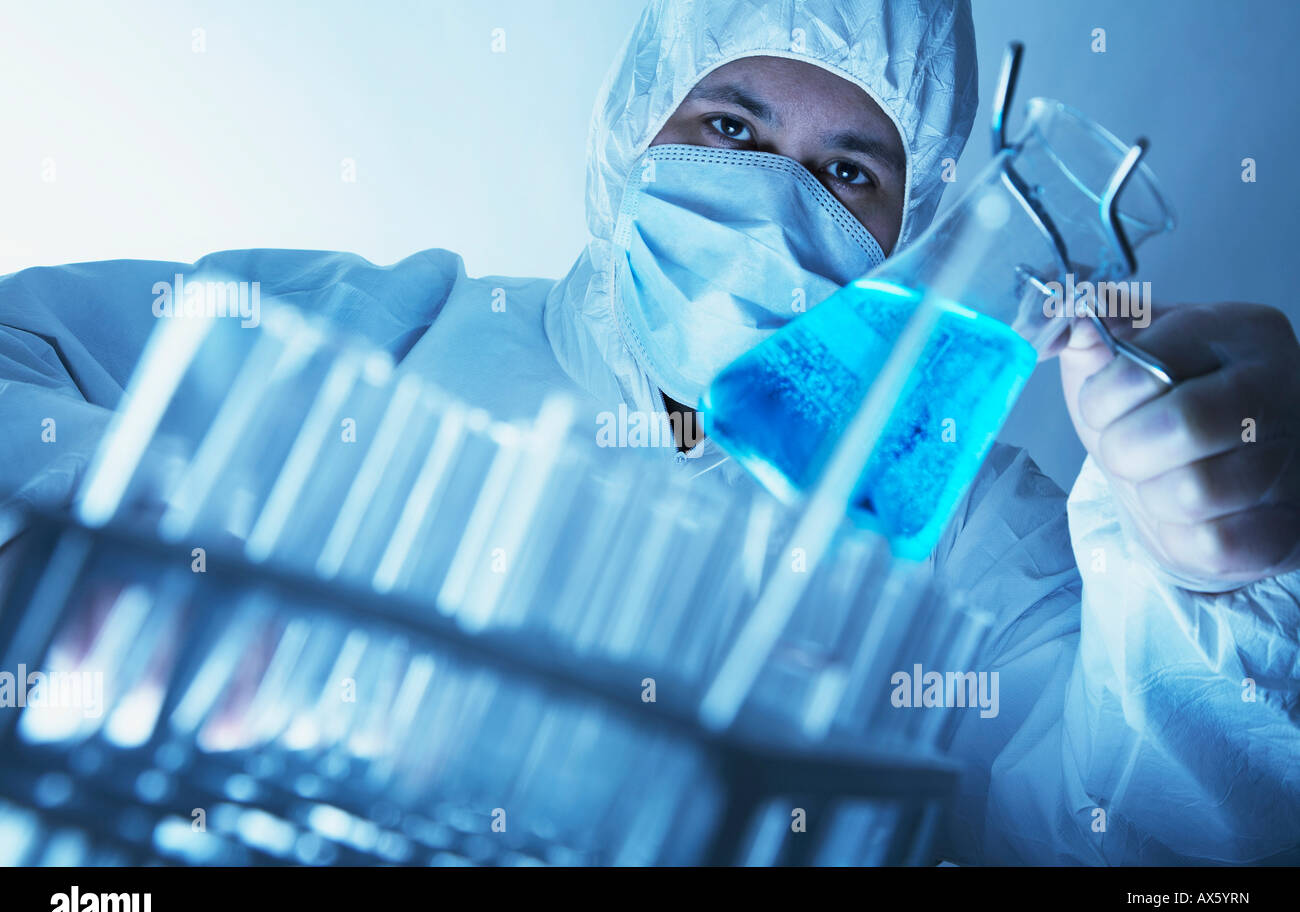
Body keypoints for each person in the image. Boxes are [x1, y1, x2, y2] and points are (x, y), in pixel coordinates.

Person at [0, 0, 1297, 864]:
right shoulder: (390, 323)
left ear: (915, 236)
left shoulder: (970, 523)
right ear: (633, 141)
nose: (775, 197)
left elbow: (1134, 850)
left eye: (851, 169)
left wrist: (1215, 585)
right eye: (731, 128)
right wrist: (170, 534)